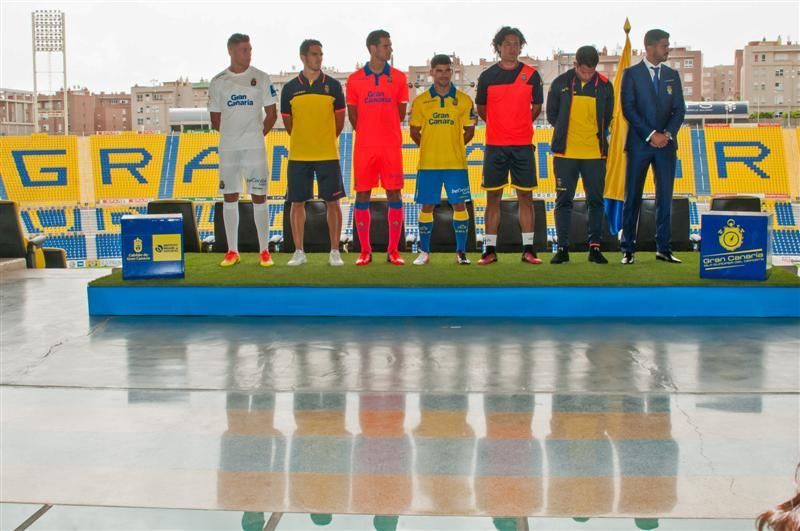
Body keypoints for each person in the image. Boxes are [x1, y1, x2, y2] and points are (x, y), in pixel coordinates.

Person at [475, 26, 545, 266]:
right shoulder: (487, 76)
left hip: (523, 145)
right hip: (495, 144)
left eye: (516, 44)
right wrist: (500, 125)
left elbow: (536, 107)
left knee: (525, 195)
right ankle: (490, 250)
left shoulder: (532, 75)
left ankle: (528, 249)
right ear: (498, 47)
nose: (512, 48)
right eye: (507, 44)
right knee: (493, 197)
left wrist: (519, 124)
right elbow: (481, 109)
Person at [209, 33, 278, 267]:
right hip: (229, 149)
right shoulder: (218, 81)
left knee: (260, 196)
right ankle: (232, 251)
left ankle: (264, 251)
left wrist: (255, 136)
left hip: (255, 148)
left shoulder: (261, 78)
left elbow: (272, 114)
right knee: (230, 196)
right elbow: (215, 119)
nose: (249, 54)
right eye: (244, 50)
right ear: (231, 51)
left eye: (250, 49)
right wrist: (233, 137)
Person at [620, 28, 686, 265]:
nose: (667, 49)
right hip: (640, 145)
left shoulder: (672, 75)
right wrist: (651, 135)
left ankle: (664, 249)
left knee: (665, 198)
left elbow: (680, 109)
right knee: (633, 198)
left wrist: (666, 134)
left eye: (667, 45)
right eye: (664, 45)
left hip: (666, 146)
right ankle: (628, 249)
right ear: (649, 47)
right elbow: (629, 109)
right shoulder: (631, 74)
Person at [346, 29, 409, 266]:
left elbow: (401, 113)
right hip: (365, 146)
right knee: (363, 194)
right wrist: (370, 132)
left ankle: (393, 250)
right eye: (386, 46)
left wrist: (385, 129)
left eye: (390, 45)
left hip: (391, 145)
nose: (390, 49)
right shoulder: (354, 80)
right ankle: (365, 251)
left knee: (395, 193)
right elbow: (353, 115)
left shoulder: (399, 77)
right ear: (373, 48)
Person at [281, 39, 346, 266]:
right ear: (303, 57)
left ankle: (335, 252)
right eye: (314, 54)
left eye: (321, 54)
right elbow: (289, 124)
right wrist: (305, 139)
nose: (319, 58)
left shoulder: (334, 86)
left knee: (333, 203)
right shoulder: (289, 88)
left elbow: (339, 122)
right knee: (297, 203)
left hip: (328, 153)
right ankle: (299, 251)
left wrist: (323, 139)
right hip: (299, 155)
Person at [546, 45, 614, 265]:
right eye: (583, 70)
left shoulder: (605, 86)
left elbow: (608, 116)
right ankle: (563, 248)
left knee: (596, 201)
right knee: (563, 200)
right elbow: (552, 115)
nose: (587, 74)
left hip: (595, 154)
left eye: (591, 71)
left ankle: (594, 248)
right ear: (575, 65)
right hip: (566, 154)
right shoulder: (560, 84)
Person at [409, 54, 476, 265]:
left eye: (447, 70)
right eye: (438, 70)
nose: (443, 74)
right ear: (431, 73)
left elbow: (470, 131)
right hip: (429, 164)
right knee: (426, 207)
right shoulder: (420, 101)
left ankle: (461, 252)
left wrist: (452, 147)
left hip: (455, 164)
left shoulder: (464, 100)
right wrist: (431, 146)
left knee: (460, 206)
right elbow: (414, 132)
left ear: (452, 71)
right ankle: (424, 252)